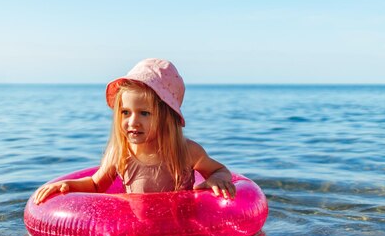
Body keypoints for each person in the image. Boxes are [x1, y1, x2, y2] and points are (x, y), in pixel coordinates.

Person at [33, 58, 236, 205]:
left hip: (180, 232)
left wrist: (217, 179)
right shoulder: (120, 153)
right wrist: (68, 185)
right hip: (139, 232)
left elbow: (220, 170)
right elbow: (96, 185)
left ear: (167, 117)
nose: (133, 122)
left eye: (145, 113)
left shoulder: (187, 151)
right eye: (125, 112)